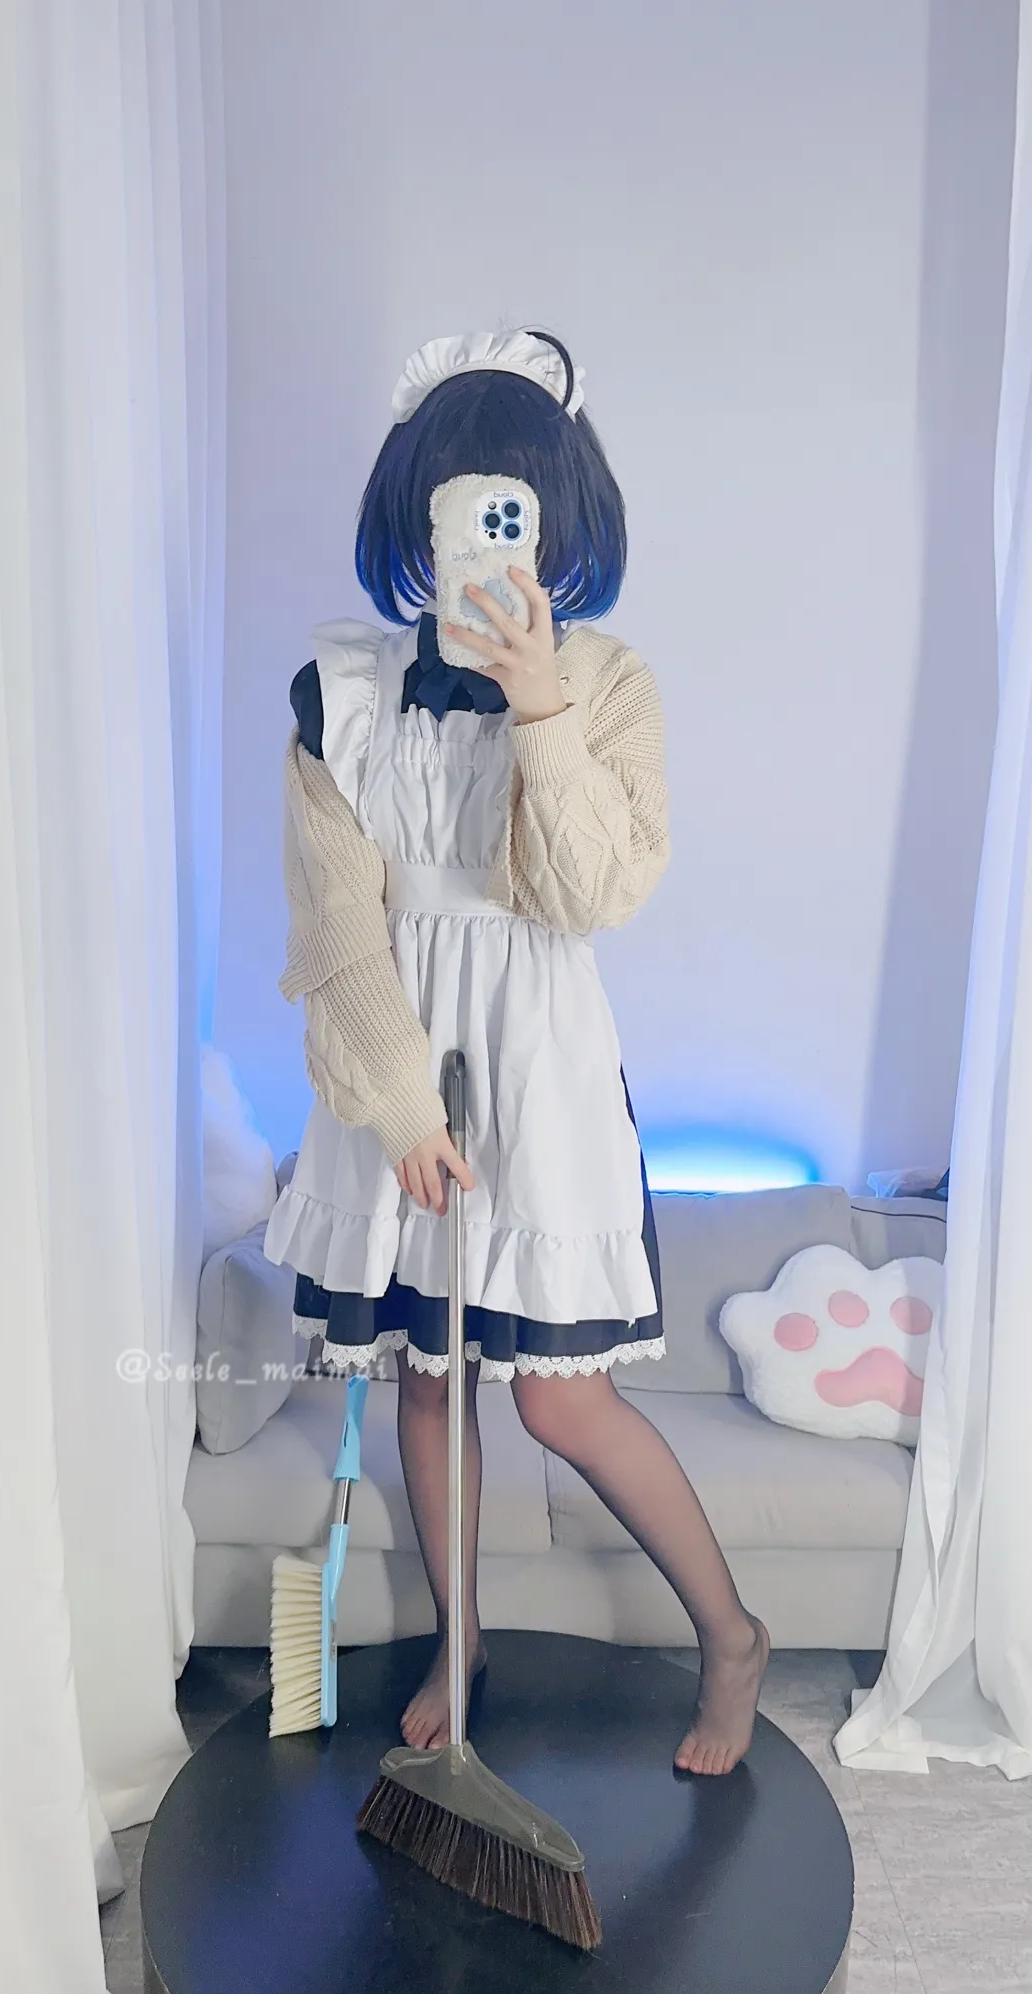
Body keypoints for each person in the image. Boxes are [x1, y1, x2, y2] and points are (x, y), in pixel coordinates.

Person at [266, 328, 769, 1776]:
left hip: (539, 1061)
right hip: (398, 1068)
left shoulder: (608, 684)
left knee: (559, 1396)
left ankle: (731, 1634)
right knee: (429, 1381)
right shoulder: (340, 692)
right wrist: (399, 1106)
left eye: (514, 508)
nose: (487, 539)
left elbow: (591, 893)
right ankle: (461, 1639)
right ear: (416, 512)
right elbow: (338, 926)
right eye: (461, 504)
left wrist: (540, 701)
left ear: (557, 518)